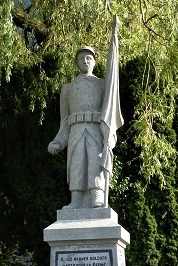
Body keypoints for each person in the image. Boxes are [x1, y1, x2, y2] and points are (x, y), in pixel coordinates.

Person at [48, 17, 123, 209]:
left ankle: (96, 196)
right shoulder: (68, 89)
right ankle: (76, 200)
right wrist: (58, 141)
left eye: (89, 58)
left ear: (95, 62)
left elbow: (109, 103)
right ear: (76, 63)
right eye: (81, 58)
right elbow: (64, 120)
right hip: (75, 130)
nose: (85, 61)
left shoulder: (101, 85)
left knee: (95, 163)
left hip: (95, 129)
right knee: (76, 164)